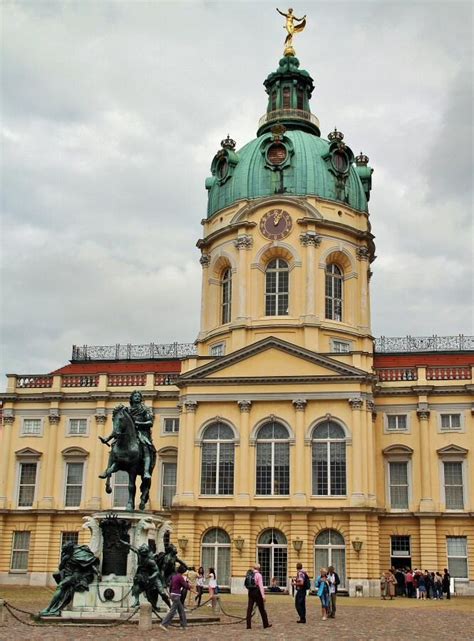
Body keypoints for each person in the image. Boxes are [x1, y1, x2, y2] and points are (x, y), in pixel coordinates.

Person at [40, 542, 100, 616]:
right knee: (57, 577)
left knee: (61, 586)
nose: (64, 551)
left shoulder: (80, 554)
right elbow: (60, 568)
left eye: (65, 549)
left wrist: (98, 573)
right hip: (67, 574)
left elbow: (91, 564)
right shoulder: (66, 555)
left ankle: (50, 608)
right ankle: (51, 607)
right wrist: (64, 560)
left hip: (75, 575)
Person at [159, 565, 191, 631]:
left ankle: (184, 625)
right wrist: (190, 586)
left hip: (173, 594)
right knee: (172, 611)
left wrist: (170, 594)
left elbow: (171, 586)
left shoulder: (174, 577)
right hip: (177, 595)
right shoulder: (180, 577)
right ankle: (163, 624)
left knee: (181, 610)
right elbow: (185, 586)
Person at [245, 564, 272, 630]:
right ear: (259, 568)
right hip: (257, 592)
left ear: (253, 568)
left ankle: (248, 625)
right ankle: (265, 624)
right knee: (262, 609)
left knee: (249, 608)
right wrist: (263, 596)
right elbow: (261, 586)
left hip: (250, 592)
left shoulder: (249, 574)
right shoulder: (259, 575)